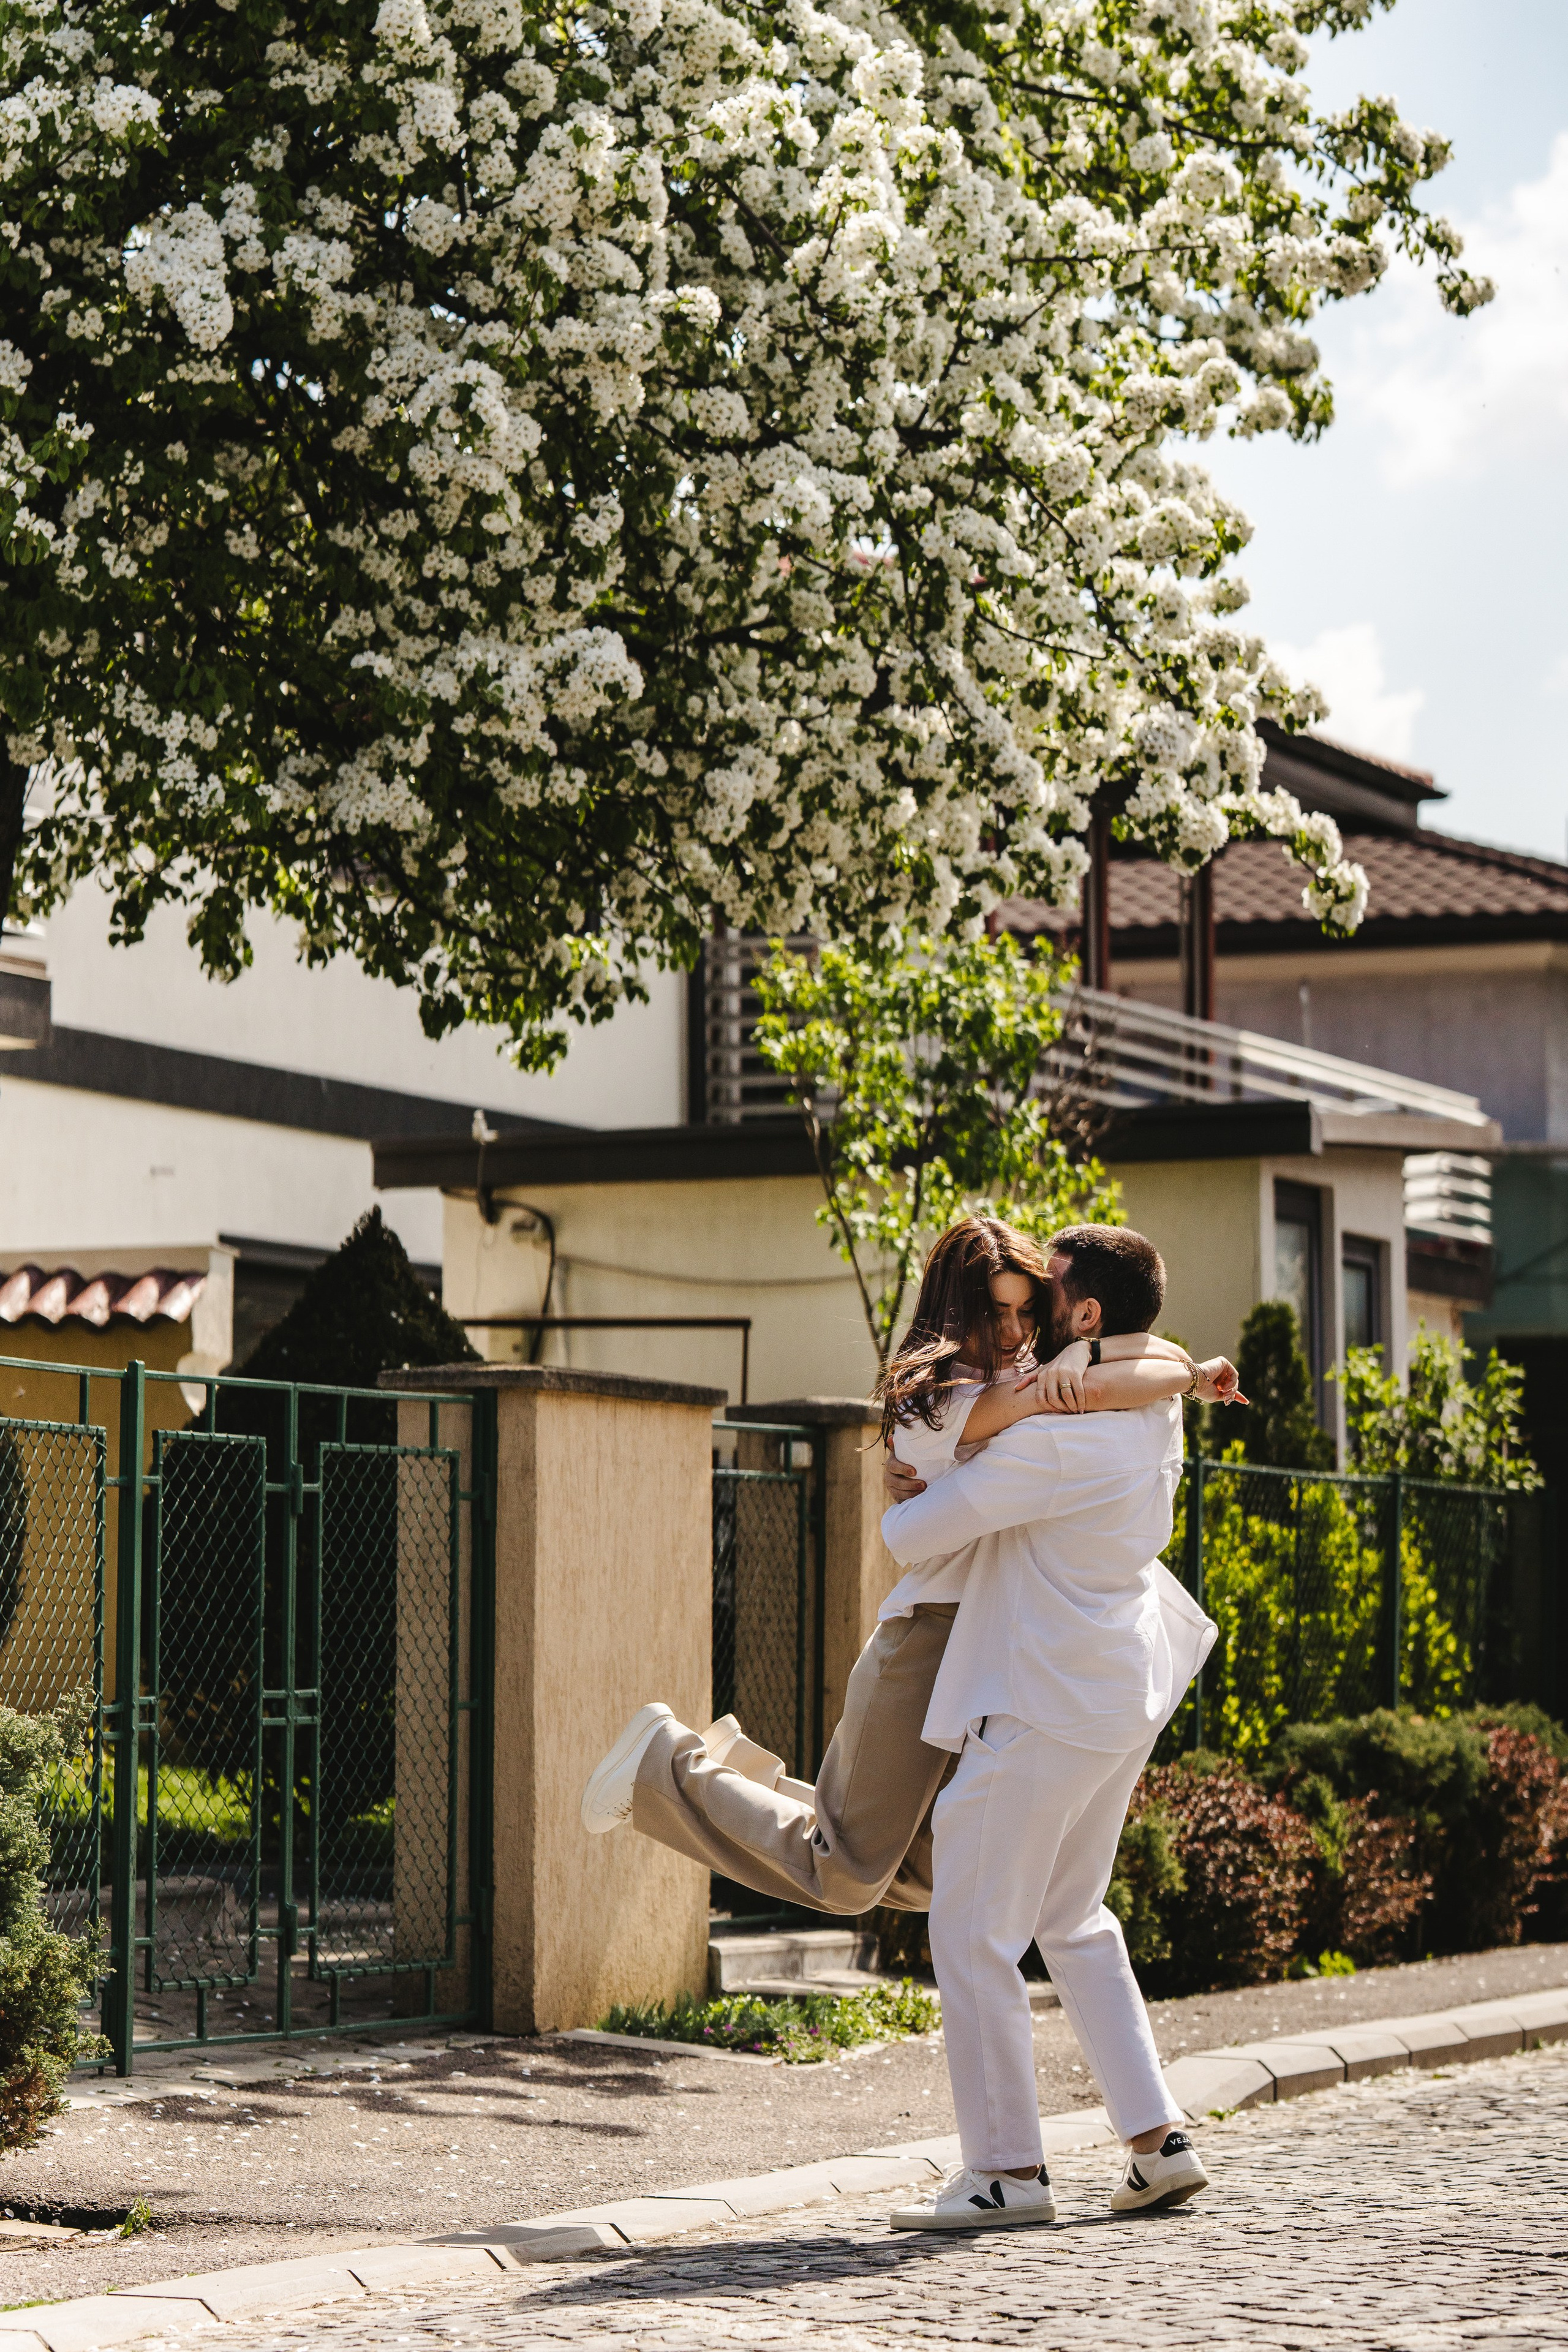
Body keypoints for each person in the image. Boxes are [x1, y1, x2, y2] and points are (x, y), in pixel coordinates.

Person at [581, 1217, 1233, 1928]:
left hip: (986, 1641)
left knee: (932, 1871)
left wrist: (1181, 1371)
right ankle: (663, 1766)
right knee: (846, 1876)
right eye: (999, 1312)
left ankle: (732, 1775)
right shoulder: (936, 1402)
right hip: (928, 1638)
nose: (1017, 1331)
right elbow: (1039, 1421)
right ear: (959, 1312)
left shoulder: (1024, 1369)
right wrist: (1092, 1371)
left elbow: (1147, 1358)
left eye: (1027, 1308)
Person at [879, 1225, 1218, 2233]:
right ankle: (1159, 2144)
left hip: (1040, 1700)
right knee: (1073, 1917)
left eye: (1049, 1296)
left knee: (971, 1928)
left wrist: (925, 1480)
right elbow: (1158, 1361)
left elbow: (911, 1539)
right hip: (1119, 1692)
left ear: (1085, 1316)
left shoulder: (1057, 1437)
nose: (1027, 1318)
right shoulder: (1153, 1405)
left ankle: (1006, 2173)